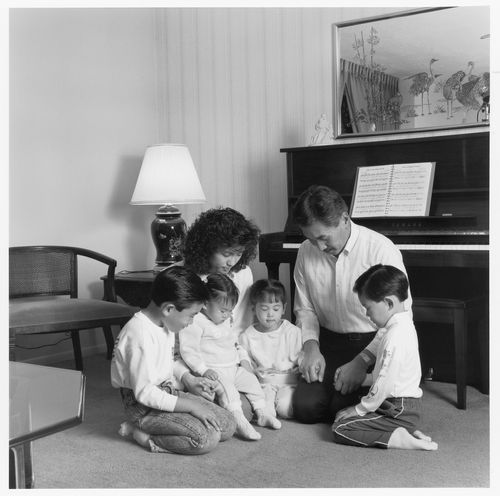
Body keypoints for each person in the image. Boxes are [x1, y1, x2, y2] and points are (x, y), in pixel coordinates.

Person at [291, 184, 412, 424]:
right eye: (311, 239)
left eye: (323, 238)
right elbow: (305, 309)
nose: (320, 248)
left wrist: (362, 361)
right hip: (327, 341)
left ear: (345, 219)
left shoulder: (380, 248)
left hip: (371, 343)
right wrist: (311, 347)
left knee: (341, 409)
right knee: (306, 409)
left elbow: (401, 316)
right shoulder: (306, 251)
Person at [111, 266, 236, 455]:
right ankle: (142, 434)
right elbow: (145, 393)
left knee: (227, 424)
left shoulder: (164, 322)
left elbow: (167, 361)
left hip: (167, 391)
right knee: (206, 439)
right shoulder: (139, 336)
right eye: (192, 315)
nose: (192, 322)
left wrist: (189, 380)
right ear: (169, 308)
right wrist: (193, 407)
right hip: (142, 407)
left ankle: (168, 424)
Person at [332, 264, 437, 450]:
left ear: (388, 303)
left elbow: (385, 382)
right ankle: (405, 431)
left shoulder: (395, 336)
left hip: (399, 409)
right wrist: (362, 380)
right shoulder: (401, 326)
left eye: (368, 308)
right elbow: (386, 375)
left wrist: (359, 409)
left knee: (340, 428)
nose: (366, 314)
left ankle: (399, 438)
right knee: (341, 411)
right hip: (400, 406)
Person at [179, 273, 281, 441]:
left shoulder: (225, 320)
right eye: (223, 311)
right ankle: (239, 421)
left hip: (232, 367)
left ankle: (263, 413)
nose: (227, 315)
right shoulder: (196, 321)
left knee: (253, 382)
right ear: (205, 304)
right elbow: (188, 351)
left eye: (230, 311)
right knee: (230, 392)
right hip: (213, 371)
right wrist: (203, 370)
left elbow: (233, 343)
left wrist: (243, 360)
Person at [183, 206, 260, 335]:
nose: (232, 262)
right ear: (207, 247)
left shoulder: (243, 273)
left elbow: (242, 325)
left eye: (239, 253)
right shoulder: (182, 275)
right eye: (226, 254)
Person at [240, 279, 303, 420]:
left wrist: (300, 367)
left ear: (283, 308)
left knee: (285, 409)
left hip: (288, 383)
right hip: (263, 384)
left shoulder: (292, 332)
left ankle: (279, 404)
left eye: (276, 309)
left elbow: (302, 357)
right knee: (266, 412)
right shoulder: (248, 335)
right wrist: (251, 371)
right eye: (264, 309)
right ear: (253, 308)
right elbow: (244, 360)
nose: (270, 314)